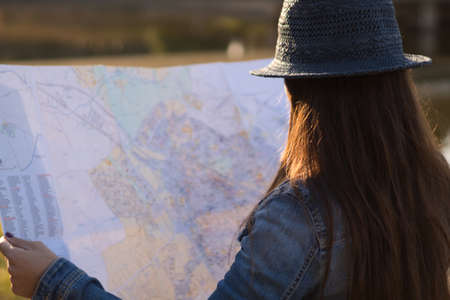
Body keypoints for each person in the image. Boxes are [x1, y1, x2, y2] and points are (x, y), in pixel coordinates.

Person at [0, 0, 449, 299]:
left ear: (300, 89)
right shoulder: (434, 185)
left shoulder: (301, 217)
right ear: (396, 84)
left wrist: (52, 280)